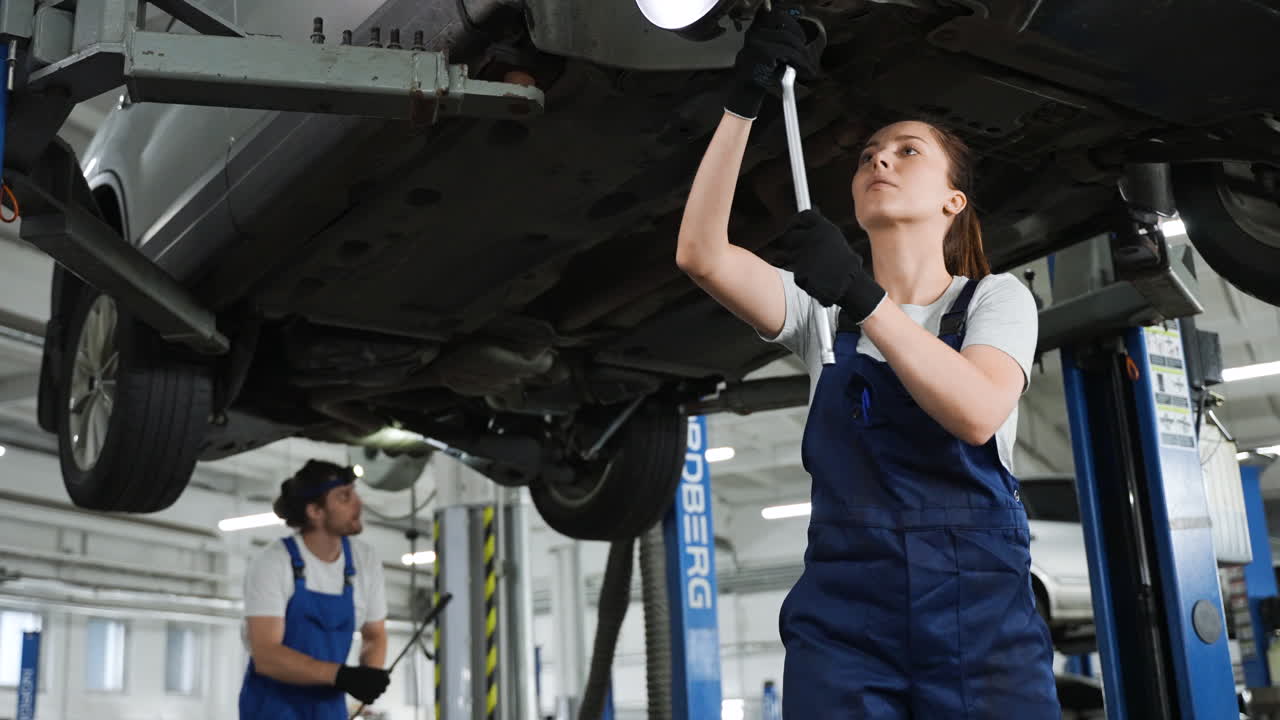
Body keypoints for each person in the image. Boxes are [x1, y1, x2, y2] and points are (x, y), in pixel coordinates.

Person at [676, 7, 1060, 718]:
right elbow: (700, 253)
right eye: (867, 156)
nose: (878, 159)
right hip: (847, 618)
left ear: (955, 200)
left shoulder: (996, 300)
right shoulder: (819, 314)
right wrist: (743, 104)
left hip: (978, 618)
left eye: (906, 151)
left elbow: (976, 412)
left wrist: (860, 295)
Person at [239, 459, 391, 719]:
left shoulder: (364, 560)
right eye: (344, 497)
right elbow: (266, 654)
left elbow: (375, 634)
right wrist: (341, 675)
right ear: (315, 511)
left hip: (328, 710)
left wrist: (368, 676)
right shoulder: (274, 562)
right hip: (273, 710)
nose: (358, 503)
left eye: (354, 494)